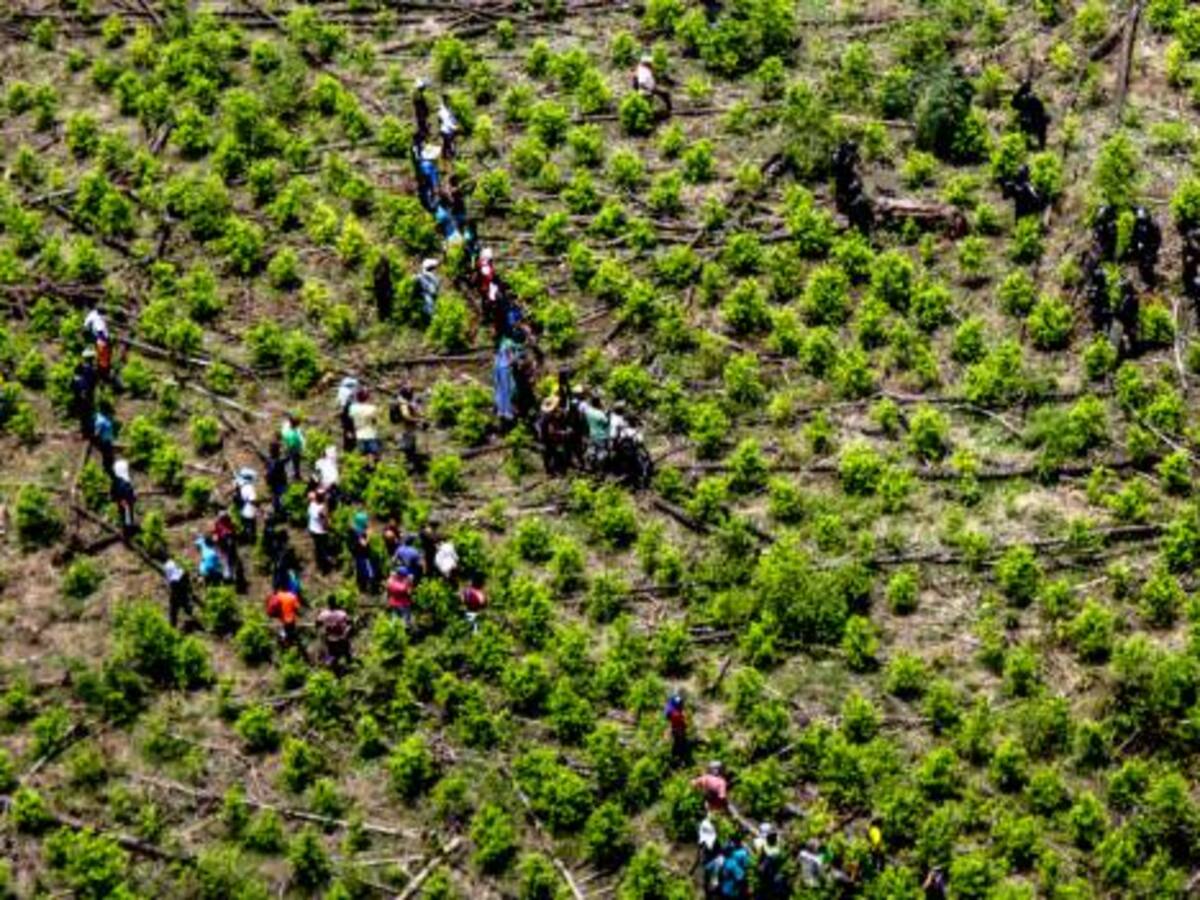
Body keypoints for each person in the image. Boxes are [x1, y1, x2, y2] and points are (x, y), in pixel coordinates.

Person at [1011, 79, 1049, 149]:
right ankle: (1036, 147)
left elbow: (1014, 104)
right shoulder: (1029, 96)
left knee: (1028, 133)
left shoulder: (1025, 97)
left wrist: (1019, 92)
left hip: (1031, 119)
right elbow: (1014, 104)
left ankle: (1034, 147)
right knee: (1032, 133)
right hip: (1031, 119)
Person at [316, 597, 352, 670]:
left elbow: (317, 624)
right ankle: (349, 664)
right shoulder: (342, 613)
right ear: (335, 603)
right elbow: (350, 623)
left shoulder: (323, 614)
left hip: (330, 638)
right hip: (341, 638)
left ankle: (329, 665)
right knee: (347, 652)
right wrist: (346, 633)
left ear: (328, 603)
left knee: (329, 653)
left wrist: (323, 629)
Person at [753, 824, 787, 899]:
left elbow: (761, 869)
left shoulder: (765, 849)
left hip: (768, 878)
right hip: (776, 876)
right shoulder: (778, 849)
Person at [1130, 205, 1161, 286]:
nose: (1141, 217)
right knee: (1141, 265)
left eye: (1142, 215)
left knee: (1147, 265)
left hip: (1149, 248)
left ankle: (1151, 282)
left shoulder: (1152, 224)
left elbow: (1157, 238)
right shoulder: (1138, 223)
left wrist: (1152, 248)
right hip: (1139, 249)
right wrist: (1134, 245)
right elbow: (1134, 235)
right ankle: (1144, 280)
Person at [347, 510, 377, 593]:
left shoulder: (354, 528)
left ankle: (362, 586)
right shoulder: (358, 532)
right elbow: (364, 544)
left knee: (360, 570)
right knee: (370, 573)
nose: (367, 522)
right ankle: (369, 589)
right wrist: (369, 535)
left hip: (357, 554)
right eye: (365, 521)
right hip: (362, 554)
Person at [493, 337, 519, 428]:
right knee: (508, 390)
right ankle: (506, 411)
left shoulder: (503, 346)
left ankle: (502, 410)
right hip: (504, 369)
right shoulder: (508, 345)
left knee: (501, 390)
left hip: (500, 369)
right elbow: (511, 358)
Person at [71, 352, 98, 439]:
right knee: (87, 413)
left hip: (80, 397)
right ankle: (87, 431)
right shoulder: (91, 370)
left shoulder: (81, 370)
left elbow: (73, 386)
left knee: (83, 414)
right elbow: (93, 382)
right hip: (86, 395)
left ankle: (85, 431)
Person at [348, 388, 381, 458]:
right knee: (373, 454)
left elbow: (351, 419)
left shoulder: (353, 408)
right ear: (367, 397)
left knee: (362, 455)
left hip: (359, 434)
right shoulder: (372, 408)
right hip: (371, 433)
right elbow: (375, 421)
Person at [307, 490, 334, 574]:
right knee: (322, 549)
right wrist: (327, 503)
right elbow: (326, 521)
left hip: (312, 529)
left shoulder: (312, 504)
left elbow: (311, 495)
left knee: (317, 547)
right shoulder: (321, 510)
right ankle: (324, 568)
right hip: (320, 532)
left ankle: (319, 564)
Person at [163, 558, 194, 628]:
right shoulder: (174, 563)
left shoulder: (167, 567)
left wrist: (171, 590)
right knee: (184, 600)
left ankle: (173, 626)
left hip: (177, 586)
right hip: (183, 582)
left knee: (173, 606)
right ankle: (189, 613)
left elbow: (170, 581)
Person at [111, 458, 137, 539]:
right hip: (126, 502)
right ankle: (128, 533)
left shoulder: (116, 480)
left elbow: (113, 491)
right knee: (128, 517)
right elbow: (128, 492)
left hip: (121, 502)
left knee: (124, 516)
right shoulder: (124, 482)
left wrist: (116, 499)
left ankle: (126, 530)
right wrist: (133, 497)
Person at [233, 468, 259, 545]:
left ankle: (245, 540)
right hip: (250, 511)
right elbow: (253, 500)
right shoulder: (250, 488)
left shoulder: (242, 487)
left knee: (245, 525)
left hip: (243, 510)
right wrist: (258, 509)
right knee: (252, 527)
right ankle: (252, 541)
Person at [664, 693, 689, 764]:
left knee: (679, 742)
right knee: (678, 743)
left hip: (677, 727)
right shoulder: (673, 713)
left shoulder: (674, 703)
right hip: (676, 728)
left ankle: (678, 757)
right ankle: (677, 758)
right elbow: (677, 722)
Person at [265, 441, 288, 517]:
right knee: (281, 497)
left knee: (275, 496)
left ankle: (276, 510)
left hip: (272, 482)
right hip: (280, 482)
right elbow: (288, 458)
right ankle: (281, 512)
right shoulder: (279, 461)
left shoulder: (269, 459)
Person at [337, 377, 360, 452]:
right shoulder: (355, 388)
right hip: (353, 411)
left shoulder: (342, 390)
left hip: (345, 412)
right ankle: (353, 444)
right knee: (352, 428)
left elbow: (339, 402)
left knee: (346, 429)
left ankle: (348, 446)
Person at [417, 144, 441, 212]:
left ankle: (432, 204)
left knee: (429, 193)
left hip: (428, 184)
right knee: (430, 193)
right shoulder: (428, 164)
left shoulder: (423, 163)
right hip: (430, 184)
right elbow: (430, 177)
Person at [281, 414, 305, 480]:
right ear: (297, 424)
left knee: (291, 462)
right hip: (294, 451)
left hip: (289, 448)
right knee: (295, 463)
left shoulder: (287, 429)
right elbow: (292, 445)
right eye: (299, 424)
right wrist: (299, 448)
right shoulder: (293, 434)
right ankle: (295, 476)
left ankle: (295, 475)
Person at [372, 251, 395, 322]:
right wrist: (380, 273)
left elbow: (388, 277)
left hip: (385, 287)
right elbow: (376, 277)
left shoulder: (387, 267)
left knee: (386, 303)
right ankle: (382, 318)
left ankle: (386, 317)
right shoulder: (378, 267)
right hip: (380, 288)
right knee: (381, 303)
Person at [92, 406, 115, 474]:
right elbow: (97, 433)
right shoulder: (100, 421)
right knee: (107, 456)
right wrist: (98, 441)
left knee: (108, 455)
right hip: (104, 441)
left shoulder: (103, 418)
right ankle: (106, 469)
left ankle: (107, 468)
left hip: (107, 440)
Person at [438, 94, 459, 160]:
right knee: (449, 144)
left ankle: (444, 156)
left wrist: (456, 122)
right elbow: (446, 121)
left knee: (447, 144)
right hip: (446, 130)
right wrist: (454, 127)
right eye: (448, 100)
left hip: (450, 130)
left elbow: (452, 116)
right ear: (445, 101)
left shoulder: (448, 108)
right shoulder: (442, 111)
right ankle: (450, 157)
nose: (449, 101)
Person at [1183, 224, 1200, 308]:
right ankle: (1192, 294)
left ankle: (1196, 296)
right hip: (1193, 261)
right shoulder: (1191, 235)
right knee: (1188, 276)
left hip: (1195, 259)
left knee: (1196, 280)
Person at [413, 78, 430, 145]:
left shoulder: (418, 95)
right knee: (422, 128)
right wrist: (423, 114)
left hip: (421, 115)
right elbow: (420, 106)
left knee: (423, 128)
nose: (424, 89)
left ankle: (421, 141)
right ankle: (420, 142)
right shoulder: (418, 95)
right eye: (423, 87)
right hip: (420, 115)